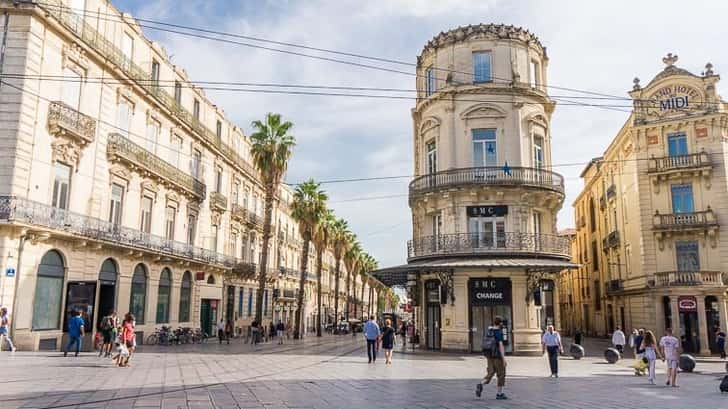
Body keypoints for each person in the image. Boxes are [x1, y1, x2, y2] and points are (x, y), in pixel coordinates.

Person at [476, 316, 507, 400]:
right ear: (500, 323)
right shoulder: (498, 332)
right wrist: (503, 358)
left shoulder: (489, 331)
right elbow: (500, 345)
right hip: (497, 356)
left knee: (491, 372)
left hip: (489, 355)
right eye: (501, 323)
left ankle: (481, 384)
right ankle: (499, 393)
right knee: (501, 374)